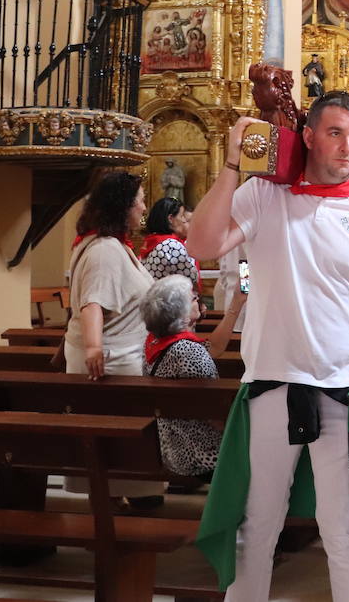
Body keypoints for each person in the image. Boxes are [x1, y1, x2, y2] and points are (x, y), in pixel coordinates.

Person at [186, 91, 349, 600]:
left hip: (343, 390)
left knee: (345, 532)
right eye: (334, 134)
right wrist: (231, 165)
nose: (346, 147)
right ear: (308, 136)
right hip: (272, 384)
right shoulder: (265, 196)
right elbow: (200, 246)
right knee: (256, 527)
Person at [65, 171, 161, 502]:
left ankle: (120, 505)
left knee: (119, 457)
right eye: (139, 202)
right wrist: (94, 348)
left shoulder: (110, 244)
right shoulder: (105, 250)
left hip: (120, 360)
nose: (144, 208)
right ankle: (116, 520)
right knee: (116, 451)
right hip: (111, 366)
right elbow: (93, 303)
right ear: (122, 207)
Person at [141, 274, 247, 477]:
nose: (198, 300)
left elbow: (213, 347)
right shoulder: (188, 352)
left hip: (173, 446)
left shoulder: (153, 343)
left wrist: (236, 304)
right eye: (193, 298)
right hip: (203, 451)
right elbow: (215, 414)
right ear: (180, 313)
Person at [140, 196, 199, 291]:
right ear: (170, 219)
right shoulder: (171, 245)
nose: (184, 221)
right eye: (181, 216)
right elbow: (191, 278)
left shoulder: (153, 242)